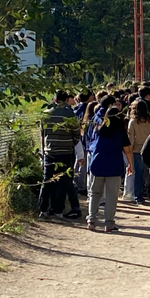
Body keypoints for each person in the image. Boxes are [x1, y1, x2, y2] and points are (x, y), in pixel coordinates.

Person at [87, 104, 133, 233]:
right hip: (113, 165)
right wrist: (130, 164)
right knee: (112, 195)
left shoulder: (99, 128)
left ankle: (91, 219)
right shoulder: (119, 131)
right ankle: (109, 223)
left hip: (97, 163)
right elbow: (128, 150)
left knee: (95, 193)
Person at [40, 90, 82, 219]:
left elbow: (43, 134)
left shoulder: (46, 114)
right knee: (62, 182)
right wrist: (69, 143)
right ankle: (58, 210)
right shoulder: (70, 115)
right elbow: (77, 135)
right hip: (65, 152)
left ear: (55, 99)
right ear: (66, 99)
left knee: (47, 181)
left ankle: (43, 209)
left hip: (49, 151)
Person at [128, 99, 150, 204]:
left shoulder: (133, 122)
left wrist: (129, 151)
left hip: (137, 150)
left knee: (138, 175)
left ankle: (138, 196)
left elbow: (131, 139)